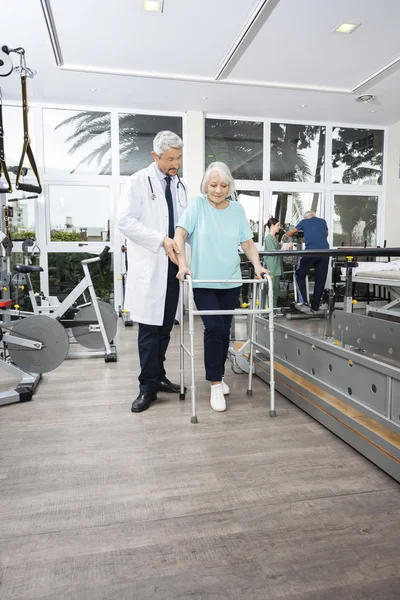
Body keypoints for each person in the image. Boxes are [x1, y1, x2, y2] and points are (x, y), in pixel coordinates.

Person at [174, 162, 269, 413]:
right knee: (214, 328)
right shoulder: (197, 206)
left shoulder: (237, 210)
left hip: (230, 281)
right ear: (206, 185)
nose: (218, 190)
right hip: (204, 282)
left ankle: (220, 376)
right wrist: (183, 263)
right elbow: (179, 235)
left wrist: (257, 266)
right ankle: (215, 384)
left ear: (230, 186)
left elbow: (247, 243)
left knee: (225, 330)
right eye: (213, 185)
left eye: (224, 185)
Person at [117, 131, 188, 413]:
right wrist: (160, 239)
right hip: (151, 265)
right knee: (149, 329)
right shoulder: (137, 182)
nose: (176, 164)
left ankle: (158, 377)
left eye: (179, 158)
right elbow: (125, 222)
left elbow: (183, 225)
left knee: (166, 328)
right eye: (170, 158)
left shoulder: (180, 186)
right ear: (155, 156)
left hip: (173, 268)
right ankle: (146, 387)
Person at [286, 210, 329, 314]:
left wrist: (285, 235)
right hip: (325, 252)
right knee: (320, 280)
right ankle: (315, 307)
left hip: (311, 252)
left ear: (306, 217)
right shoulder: (323, 221)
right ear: (314, 215)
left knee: (299, 274)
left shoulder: (304, 222)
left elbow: (291, 233)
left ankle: (304, 302)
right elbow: (326, 234)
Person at [262, 217, 292, 309]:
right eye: (277, 225)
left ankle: (273, 309)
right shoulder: (268, 238)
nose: (279, 227)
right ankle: (268, 310)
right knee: (271, 290)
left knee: (275, 290)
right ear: (272, 226)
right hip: (272, 268)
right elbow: (274, 251)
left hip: (276, 267)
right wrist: (286, 248)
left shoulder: (274, 237)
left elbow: (277, 247)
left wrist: (282, 242)